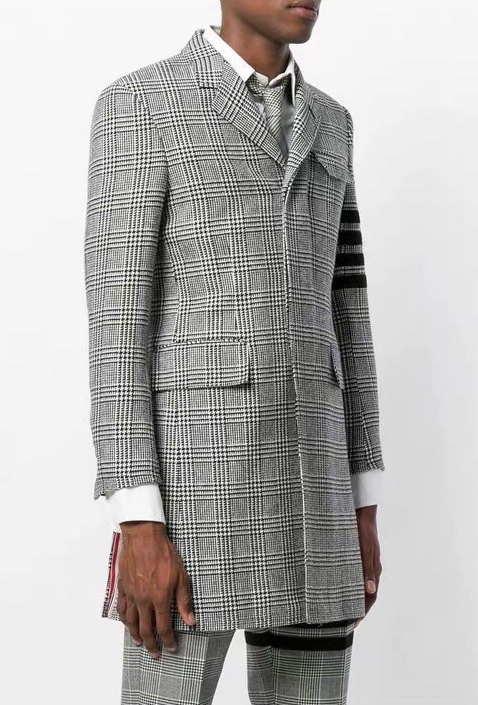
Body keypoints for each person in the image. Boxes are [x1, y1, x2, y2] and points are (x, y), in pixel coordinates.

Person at [84, 1, 385, 702]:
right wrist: (137, 516)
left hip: (319, 498)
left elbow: (349, 310)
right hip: (196, 495)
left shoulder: (331, 121)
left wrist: (363, 499)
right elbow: (117, 322)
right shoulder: (143, 103)